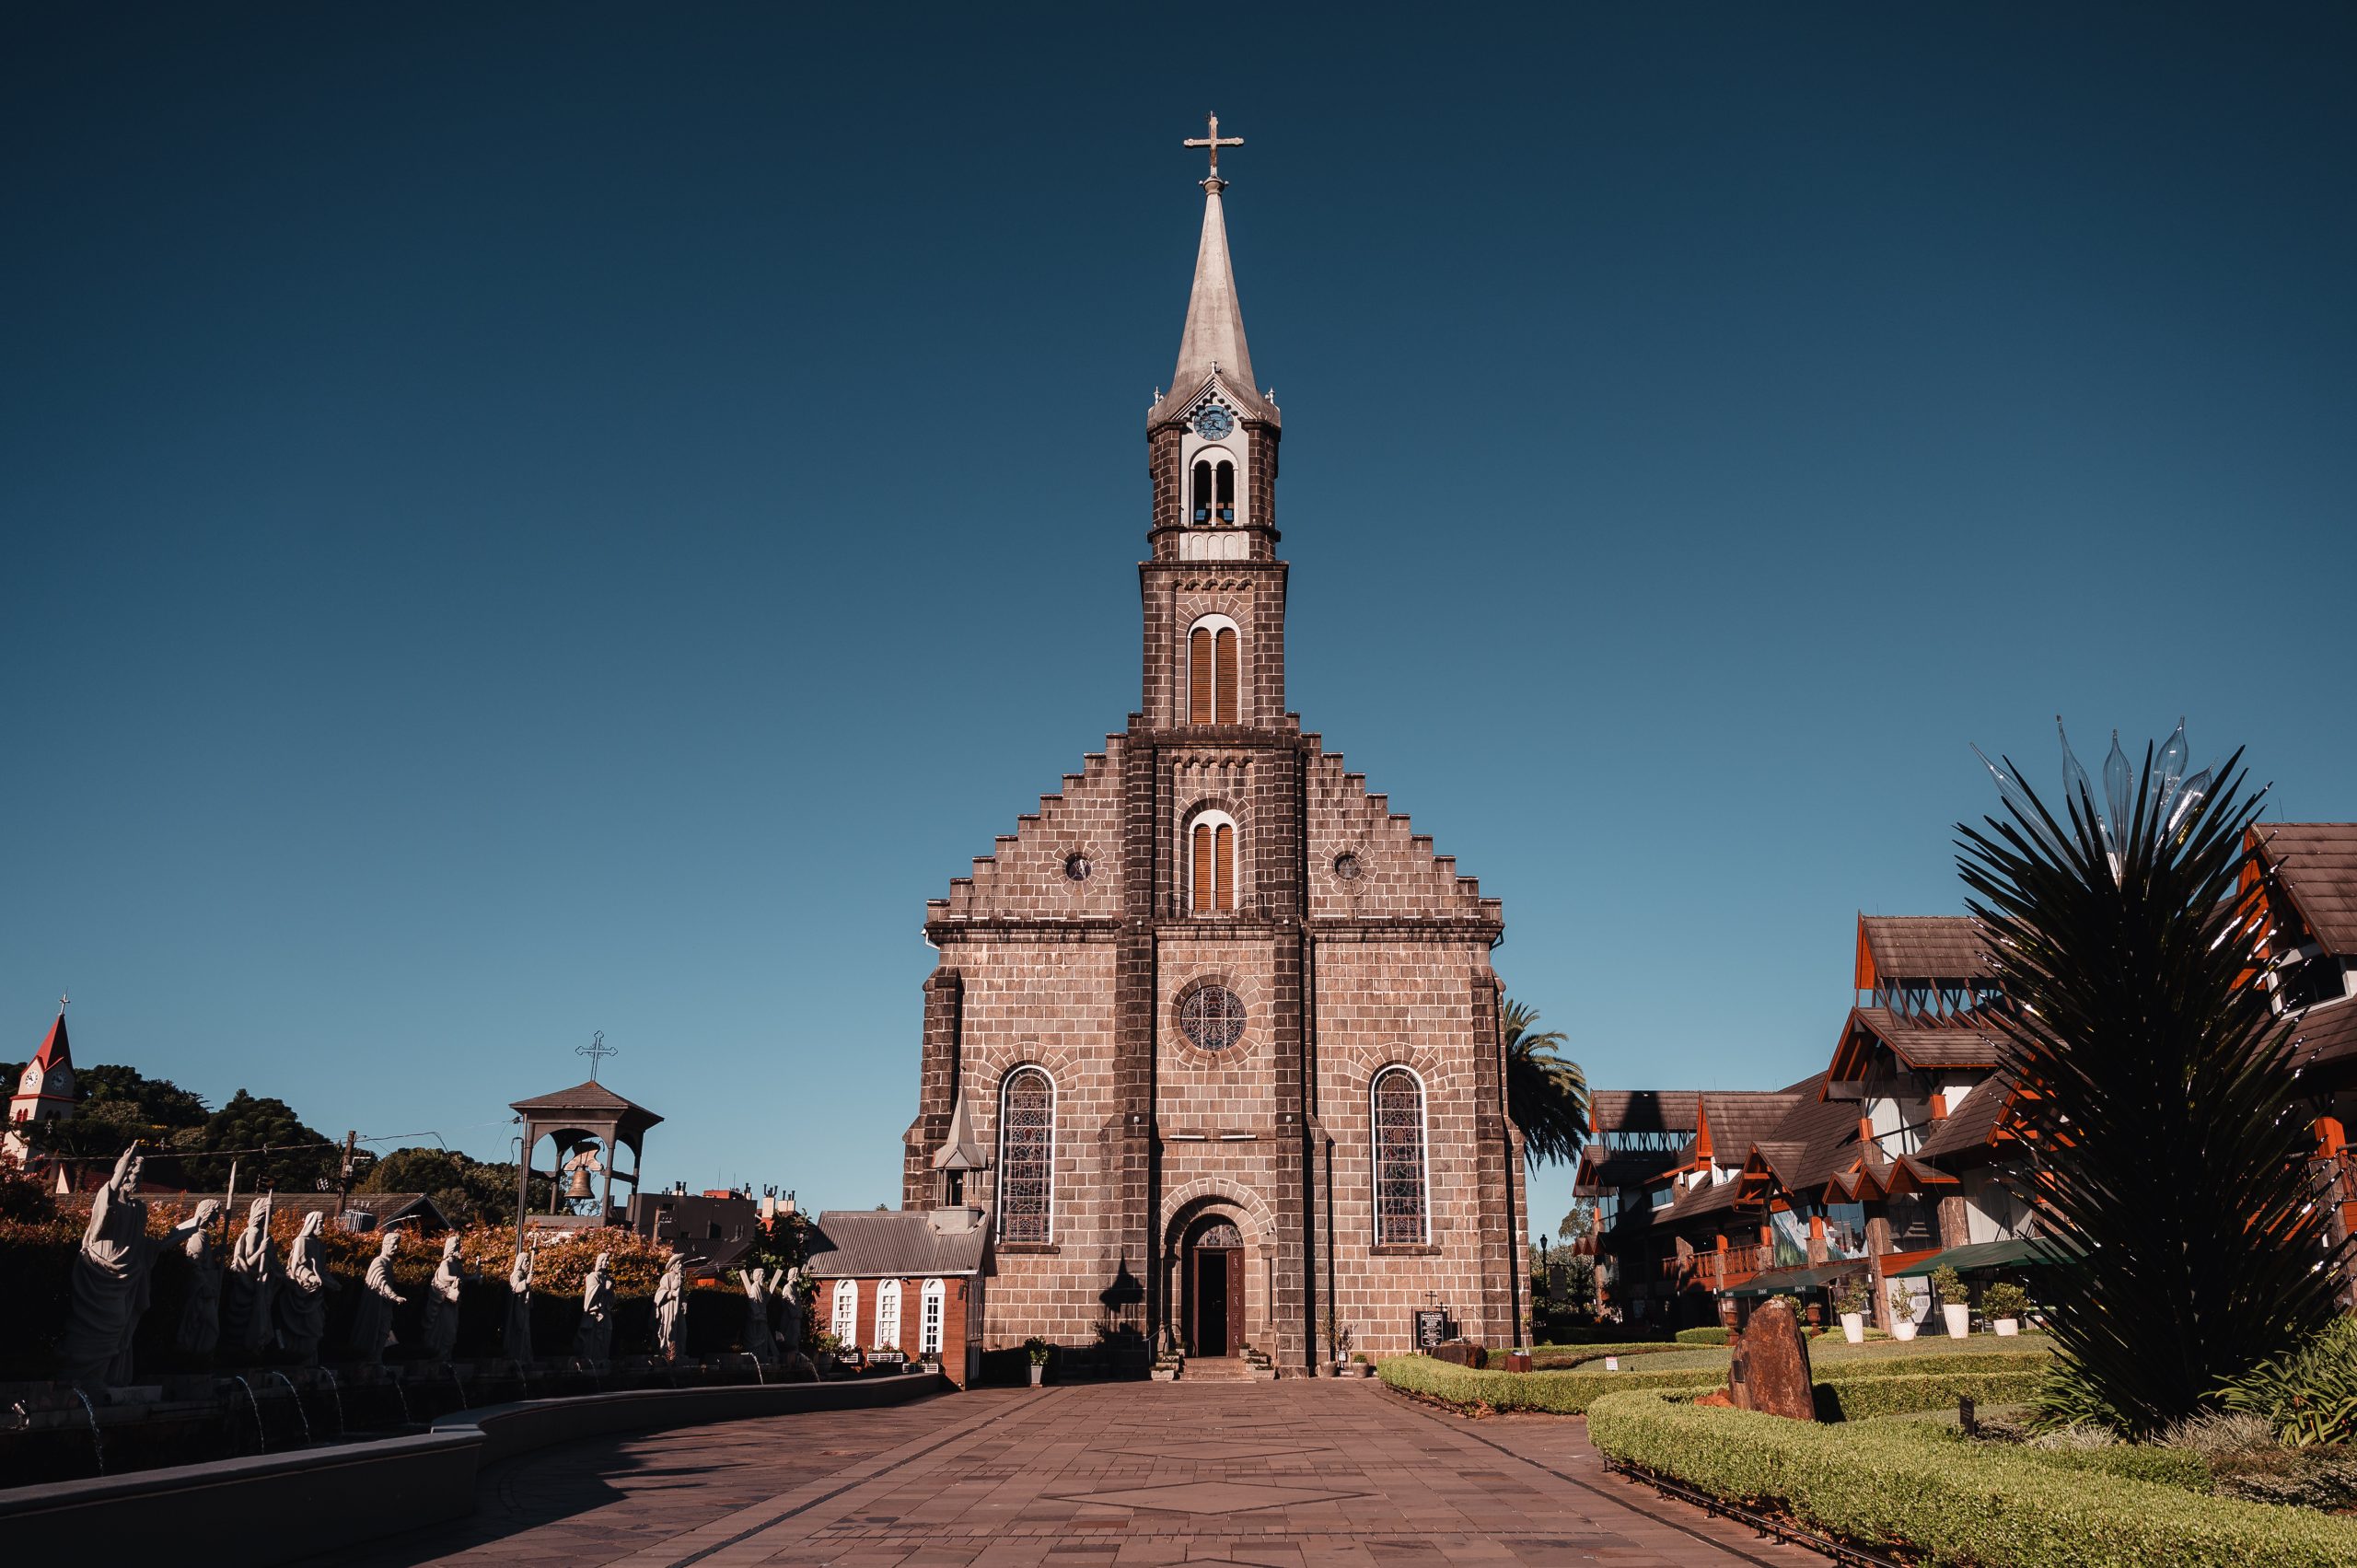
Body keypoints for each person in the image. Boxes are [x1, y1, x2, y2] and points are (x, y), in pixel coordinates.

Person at [63, 1144, 204, 1389]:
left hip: (126, 1277)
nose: (139, 1180)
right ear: (124, 1174)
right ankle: (76, 1381)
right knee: (90, 1331)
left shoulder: (139, 1209)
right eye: (136, 1174)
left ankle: (101, 1379)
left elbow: (143, 1246)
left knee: (118, 1327)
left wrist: (182, 1232)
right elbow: (102, 1214)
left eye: (141, 1175)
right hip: (100, 1273)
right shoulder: (107, 1198)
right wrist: (121, 1167)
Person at [276, 1210, 338, 1365]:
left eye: (323, 1223)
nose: (323, 1227)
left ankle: (310, 1363)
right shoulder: (302, 1241)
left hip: (316, 1295)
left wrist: (331, 1282)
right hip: (302, 1292)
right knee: (307, 1329)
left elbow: (321, 1270)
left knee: (317, 1329)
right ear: (311, 1224)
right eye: (320, 1223)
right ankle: (298, 1361)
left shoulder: (320, 1244)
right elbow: (297, 1267)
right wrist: (311, 1277)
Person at [222, 1193, 279, 1355]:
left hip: (263, 1283)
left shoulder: (265, 1235)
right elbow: (250, 1261)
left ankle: (256, 1352)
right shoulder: (253, 1233)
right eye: (270, 1213)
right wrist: (261, 1249)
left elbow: (273, 1263)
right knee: (253, 1322)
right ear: (262, 1214)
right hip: (251, 1283)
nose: (272, 1217)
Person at [174, 1199, 226, 1355]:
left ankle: (199, 1356)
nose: (218, 1217)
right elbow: (194, 1263)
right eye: (216, 1213)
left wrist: (216, 1253)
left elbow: (204, 1260)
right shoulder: (198, 1236)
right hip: (202, 1290)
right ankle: (196, 1356)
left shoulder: (204, 1235)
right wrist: (205, 1286)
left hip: (207, 1288)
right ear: (207, 1213)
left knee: (208, 1327)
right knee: (210, 1327)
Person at [350, 1229, 405, 1364]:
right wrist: (394, 1296)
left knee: (384, 1331)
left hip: (385, 1304)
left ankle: (377, 1358)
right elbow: (380, 1282)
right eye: (393, 1244)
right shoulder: (379, 1261)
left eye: (397, 1245)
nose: (396, 1247)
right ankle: (370, 1358)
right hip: (376, 1304)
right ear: (384, 1244)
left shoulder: (389, 1263)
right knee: (375, 1330)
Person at [422, 1235, 470, 1361]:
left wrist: (475, 1276)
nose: (459, 1250)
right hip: (445, 1301)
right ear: (451, 1249)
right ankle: (440, 1356)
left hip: (454, 1302)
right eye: (457, 1247)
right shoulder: (445, 1263)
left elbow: (463, 1279)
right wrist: (454, 1278)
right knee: (447, 1328)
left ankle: (447, 1356)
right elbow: (444, 1277)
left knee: (453, 1329)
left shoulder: (457, 1265)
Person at [574, 1251, 615, 1363]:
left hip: (605, 1312)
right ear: (600, 1262)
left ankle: (602, 1357)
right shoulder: (592, 1276)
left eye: (608, 1260)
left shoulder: (608, 1278)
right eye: (605, 1260)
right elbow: (591, 1293)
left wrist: (610, 1291)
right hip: (594, 1313)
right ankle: (591, 1359)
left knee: (607, 1332)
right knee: (593, 1337)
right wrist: (605, 1289)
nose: (607, 1263)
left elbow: (611, 1300)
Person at [504, 1246, 536, 1363]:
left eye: (528, 1261)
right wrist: (526, 1282)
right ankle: (517, 1356)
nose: (528, 1264)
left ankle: (524, 1357)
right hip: (518, 1307)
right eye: (526, 1261)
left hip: (524, 1308)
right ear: (520, 1262)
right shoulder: (517, 1274)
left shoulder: (524, 1275)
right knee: (520, 1330)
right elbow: (515, 1288)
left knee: (525, 1333)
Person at [653, 1253, 686, 1363]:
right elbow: (659, 1293)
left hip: (678, 1310)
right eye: (678, 1264)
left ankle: (679, 1353)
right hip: (669, 1308)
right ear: (673, 1265)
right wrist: (671, 1294)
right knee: (669, 1330)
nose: (680, 1266)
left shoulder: (680, 1278)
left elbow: (682, 1295)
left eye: (681, 1264)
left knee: (682, 1331)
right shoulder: (666, 1277)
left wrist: (684, 1302)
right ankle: (667, 1353)